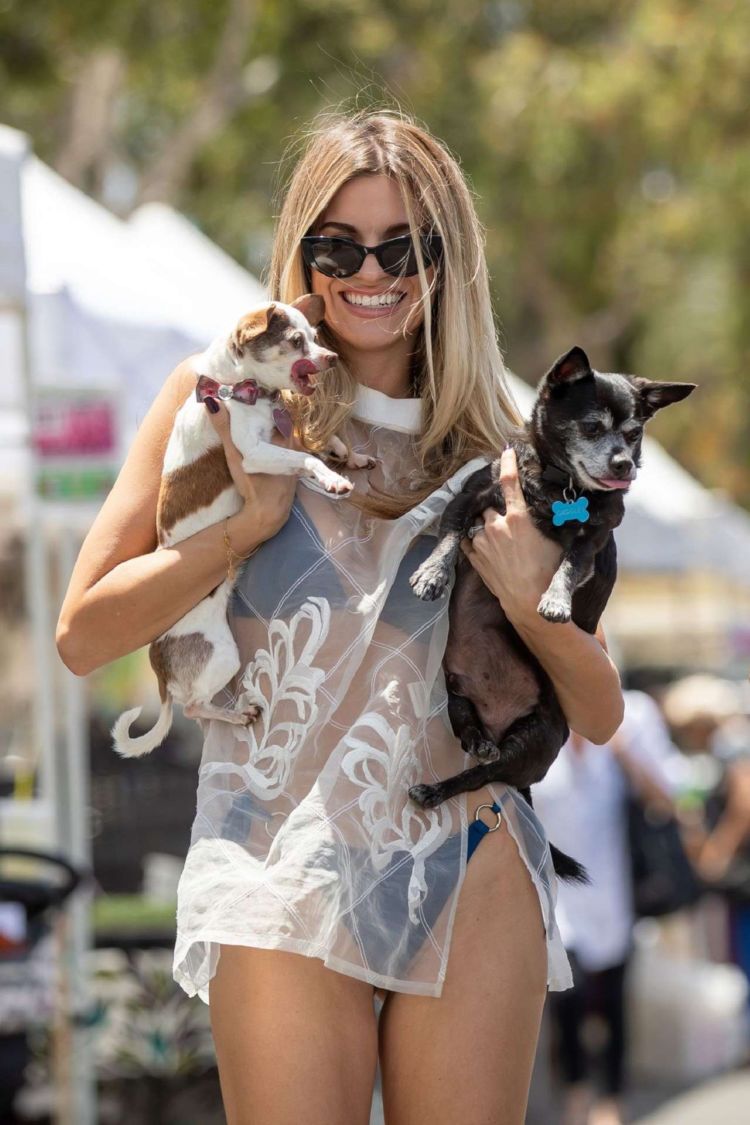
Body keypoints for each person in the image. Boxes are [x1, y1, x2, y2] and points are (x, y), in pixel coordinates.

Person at [56, 109, 624, 1125]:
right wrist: (242, 529)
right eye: (341, 246)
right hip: (278, 862)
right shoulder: (221, 402)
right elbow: (83, 633)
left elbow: (603, 704)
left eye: (405, 246)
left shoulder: (510, 451)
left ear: (449, 261)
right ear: (305, 255)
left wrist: (539, 599)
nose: (374, 272)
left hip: (469, 859)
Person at [533, 690, 681, 1125]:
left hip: (613, 885)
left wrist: (622, 753)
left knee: (614, 999)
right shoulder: (539, 715)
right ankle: (576, 1093)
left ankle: (612, 1098)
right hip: (556, 891)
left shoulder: (631, 719)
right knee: (568, 996)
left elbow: (667, 798)